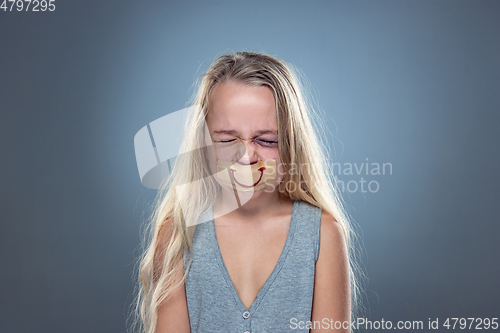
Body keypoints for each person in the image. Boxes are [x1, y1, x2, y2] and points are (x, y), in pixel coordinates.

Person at [130, 51, 361, 333]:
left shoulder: (323, 234)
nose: (247, 156)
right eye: (227, 139)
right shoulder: (178, 235)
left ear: (291, 143)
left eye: (266, 140)